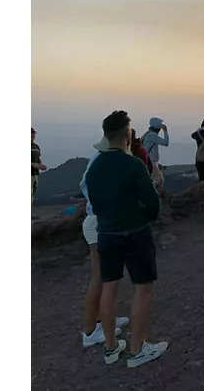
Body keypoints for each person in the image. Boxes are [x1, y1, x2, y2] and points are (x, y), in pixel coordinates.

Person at [86, 110, 167, 367]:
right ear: (127, 134)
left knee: (109, 287)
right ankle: (137, 349)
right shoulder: (133, 164)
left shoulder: (95, 166)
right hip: (135, 233)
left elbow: (95, 205)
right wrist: (143, 216)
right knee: (142, 288)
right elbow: (152, 204)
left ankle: (111, 349)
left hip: (105, 234)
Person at [79, 136, 130, 347]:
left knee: (108, 275)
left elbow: (84, 186)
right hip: (99, 223)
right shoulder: (107, 162)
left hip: (96, 221)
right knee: (100, 276)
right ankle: (90, 332)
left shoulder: (97, 159)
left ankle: (105, 318)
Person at [142, 117, 169, 189]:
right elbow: (166, 143)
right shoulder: (153, 135)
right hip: (152, 163)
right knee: (158, 184)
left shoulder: (148, 133)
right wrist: (165, 131)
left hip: (151, 162)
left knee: (159, 182)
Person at [31, 128, 48, 214]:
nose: (33, 135)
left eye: (33, 133)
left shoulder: (36, 147)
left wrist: (41, 165)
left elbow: (38, 158)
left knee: (33, 191)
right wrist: (33, 164)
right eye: (31, 133)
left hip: (35, 174)